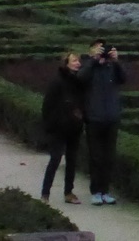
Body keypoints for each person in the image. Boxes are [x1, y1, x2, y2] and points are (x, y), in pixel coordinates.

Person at [76, 39, 126, 206]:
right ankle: (96, 191)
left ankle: (105, 191)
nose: (101, 51)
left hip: (111, 118)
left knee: (109, 157)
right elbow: (80, 78)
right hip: (94, 118)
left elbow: (124, 78)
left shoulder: (112, 67)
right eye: (98, 49)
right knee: (96, 157)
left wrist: (116, 61)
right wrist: (93, 61)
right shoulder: (90, 67)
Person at [40, 51, 86, 204]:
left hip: (74, 127)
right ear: (66, 63)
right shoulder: (57, 81)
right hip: (59, 128)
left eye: (78, 61)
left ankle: (68, 192)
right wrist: (50, 125)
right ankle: (45, 193)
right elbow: (47, 106)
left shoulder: (78, 81)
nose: (77, 63)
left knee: (72, 160)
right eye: (74, 60)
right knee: (55, 159)